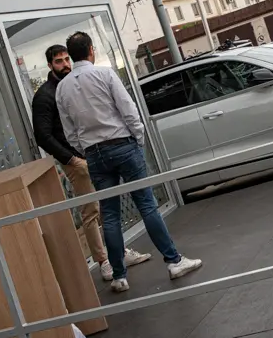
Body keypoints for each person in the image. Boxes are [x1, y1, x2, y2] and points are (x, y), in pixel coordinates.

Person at [56, 32, 202, 293]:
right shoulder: (105, 74)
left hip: (94, 153)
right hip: (122, 144)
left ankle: (119, 276)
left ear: (71, 54)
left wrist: (87, 149)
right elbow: (128, 110)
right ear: (91, 50)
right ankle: (173, 261)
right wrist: (138, 139)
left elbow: (69, 132)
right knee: (146, 204)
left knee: (109, 214)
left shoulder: (62, 88)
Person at [32, 44, 151, 282]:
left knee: (108, 209)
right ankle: (104, 261)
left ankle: (118, 254)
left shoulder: (73, 84)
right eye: (58, 61)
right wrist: (71, 159)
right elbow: (43, 135)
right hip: (76, 159)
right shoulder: (45, 95)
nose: (64, 64)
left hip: (94, 154)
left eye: (66, 59)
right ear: (49, 65)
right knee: (91, 211)